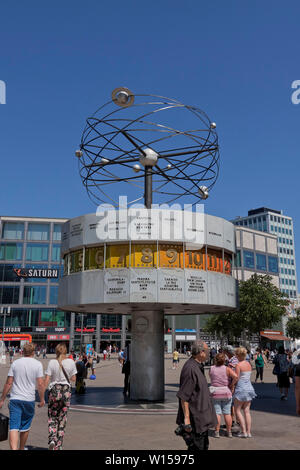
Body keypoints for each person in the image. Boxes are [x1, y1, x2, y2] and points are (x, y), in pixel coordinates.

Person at [0, 342, 44, 450]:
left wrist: (2, 399)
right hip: (29, 400)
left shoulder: (15, 363)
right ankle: (21, 448)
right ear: (33, 352)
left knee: (14, 427)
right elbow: (40, 384)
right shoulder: (38, 364)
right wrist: (42, 399)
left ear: (23, 351)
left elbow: (9, 383)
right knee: (25, 427)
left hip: (15, 399)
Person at [176, 340, 217, 452]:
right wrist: (187, 420)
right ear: (201, 352)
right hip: (195, 422)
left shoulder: (198, 366)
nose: (209, 353)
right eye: (207, 351)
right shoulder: (191, 368)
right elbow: (184, 396)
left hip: (201, 420)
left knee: (203, 447)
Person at [44, 343, 77, 450]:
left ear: (56, 351)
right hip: (66, 392)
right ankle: (59, 445)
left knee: (52, 417)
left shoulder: (52, 362)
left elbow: (47, 379)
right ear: (66, 351)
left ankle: (52, 439)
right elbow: (73, 379)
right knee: (62, 418)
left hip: (54, 391)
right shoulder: (71, 362)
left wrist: (43, 393)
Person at [209, 353, 238, 438]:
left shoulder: (211, 368)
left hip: (215, 392)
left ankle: (217, 432)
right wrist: (232, 385)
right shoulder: (227, 369)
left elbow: (211, 377)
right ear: (224, 360)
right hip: (226, 391)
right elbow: (236, 377)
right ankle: (229, 432)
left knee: (217, 413)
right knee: (227, 413)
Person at [232, 347, 256, 438]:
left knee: (237, 410)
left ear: (238, 355)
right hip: (249, 388)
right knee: (247, 411)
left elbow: (236, 377)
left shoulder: (238, 365)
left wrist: (232, 384)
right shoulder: (248, 364)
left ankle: (243, 431)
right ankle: (248, 432)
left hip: (241, 388)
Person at [223, 345, 239, 427]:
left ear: (227, 352)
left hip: (233, 384)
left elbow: (235, 375)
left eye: (224, 352)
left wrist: (232, 386)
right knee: (231, 403)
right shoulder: (230, 360)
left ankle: (237, 421)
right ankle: (232, 420)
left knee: (233, 403)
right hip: (230, 384)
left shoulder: (234, 360)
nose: (223, 353)